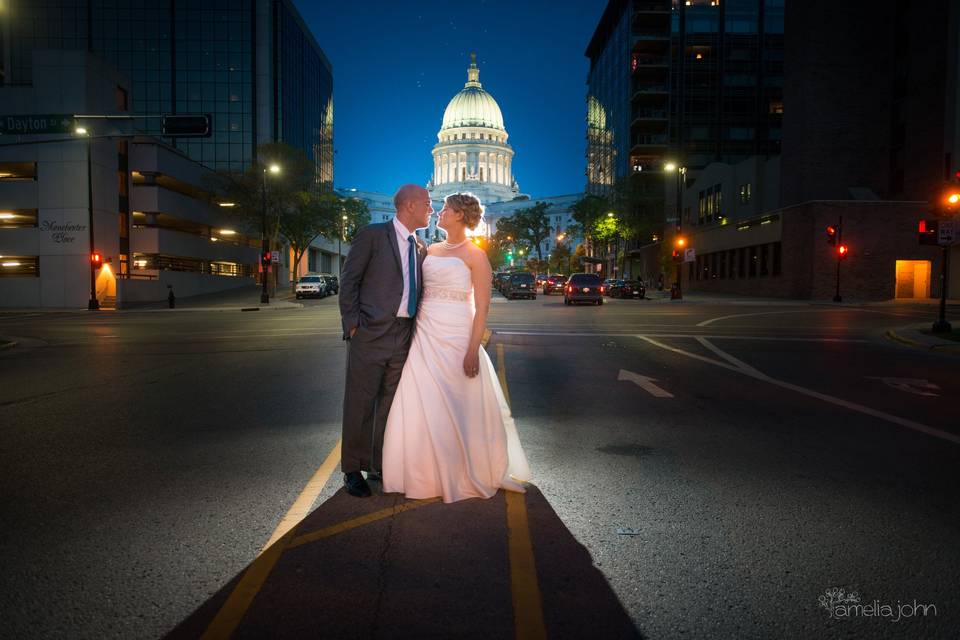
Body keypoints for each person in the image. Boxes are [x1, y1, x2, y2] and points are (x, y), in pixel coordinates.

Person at [381, 192, 531, 503]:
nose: (439, 211)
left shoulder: (476, 256)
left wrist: (472, 349)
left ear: (460, 215)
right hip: (425, 332)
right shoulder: (429, 249)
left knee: (458, 402)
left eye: (446, 208)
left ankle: (463, 470)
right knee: (421, 399)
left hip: (458, 334)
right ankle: (423, 472)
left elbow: (483, 307)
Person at [338, 184, 432, 498]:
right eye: (427, 204)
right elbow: (349, 280)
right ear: (409, 205)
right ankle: (353, 469)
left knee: (391, 406)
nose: (430, 210)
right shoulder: (372, 235)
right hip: (370, 333)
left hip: (404, 335)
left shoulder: (420, 246)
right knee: (360, 403)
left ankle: (379, 464)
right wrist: (353, 325)